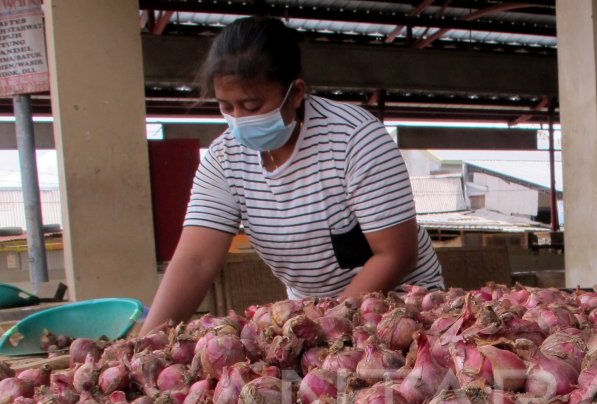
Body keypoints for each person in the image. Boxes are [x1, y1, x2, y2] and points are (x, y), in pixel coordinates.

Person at [140, 16, 443, 334]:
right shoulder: (224, 159)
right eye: (227, 107)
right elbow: (194, 261)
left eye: (252, 105)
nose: (239, 119)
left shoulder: (354, 138)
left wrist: (327, 329)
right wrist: (149, 338)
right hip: (313, 317)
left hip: (399, 310)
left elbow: (395, 254)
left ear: (296, 93)